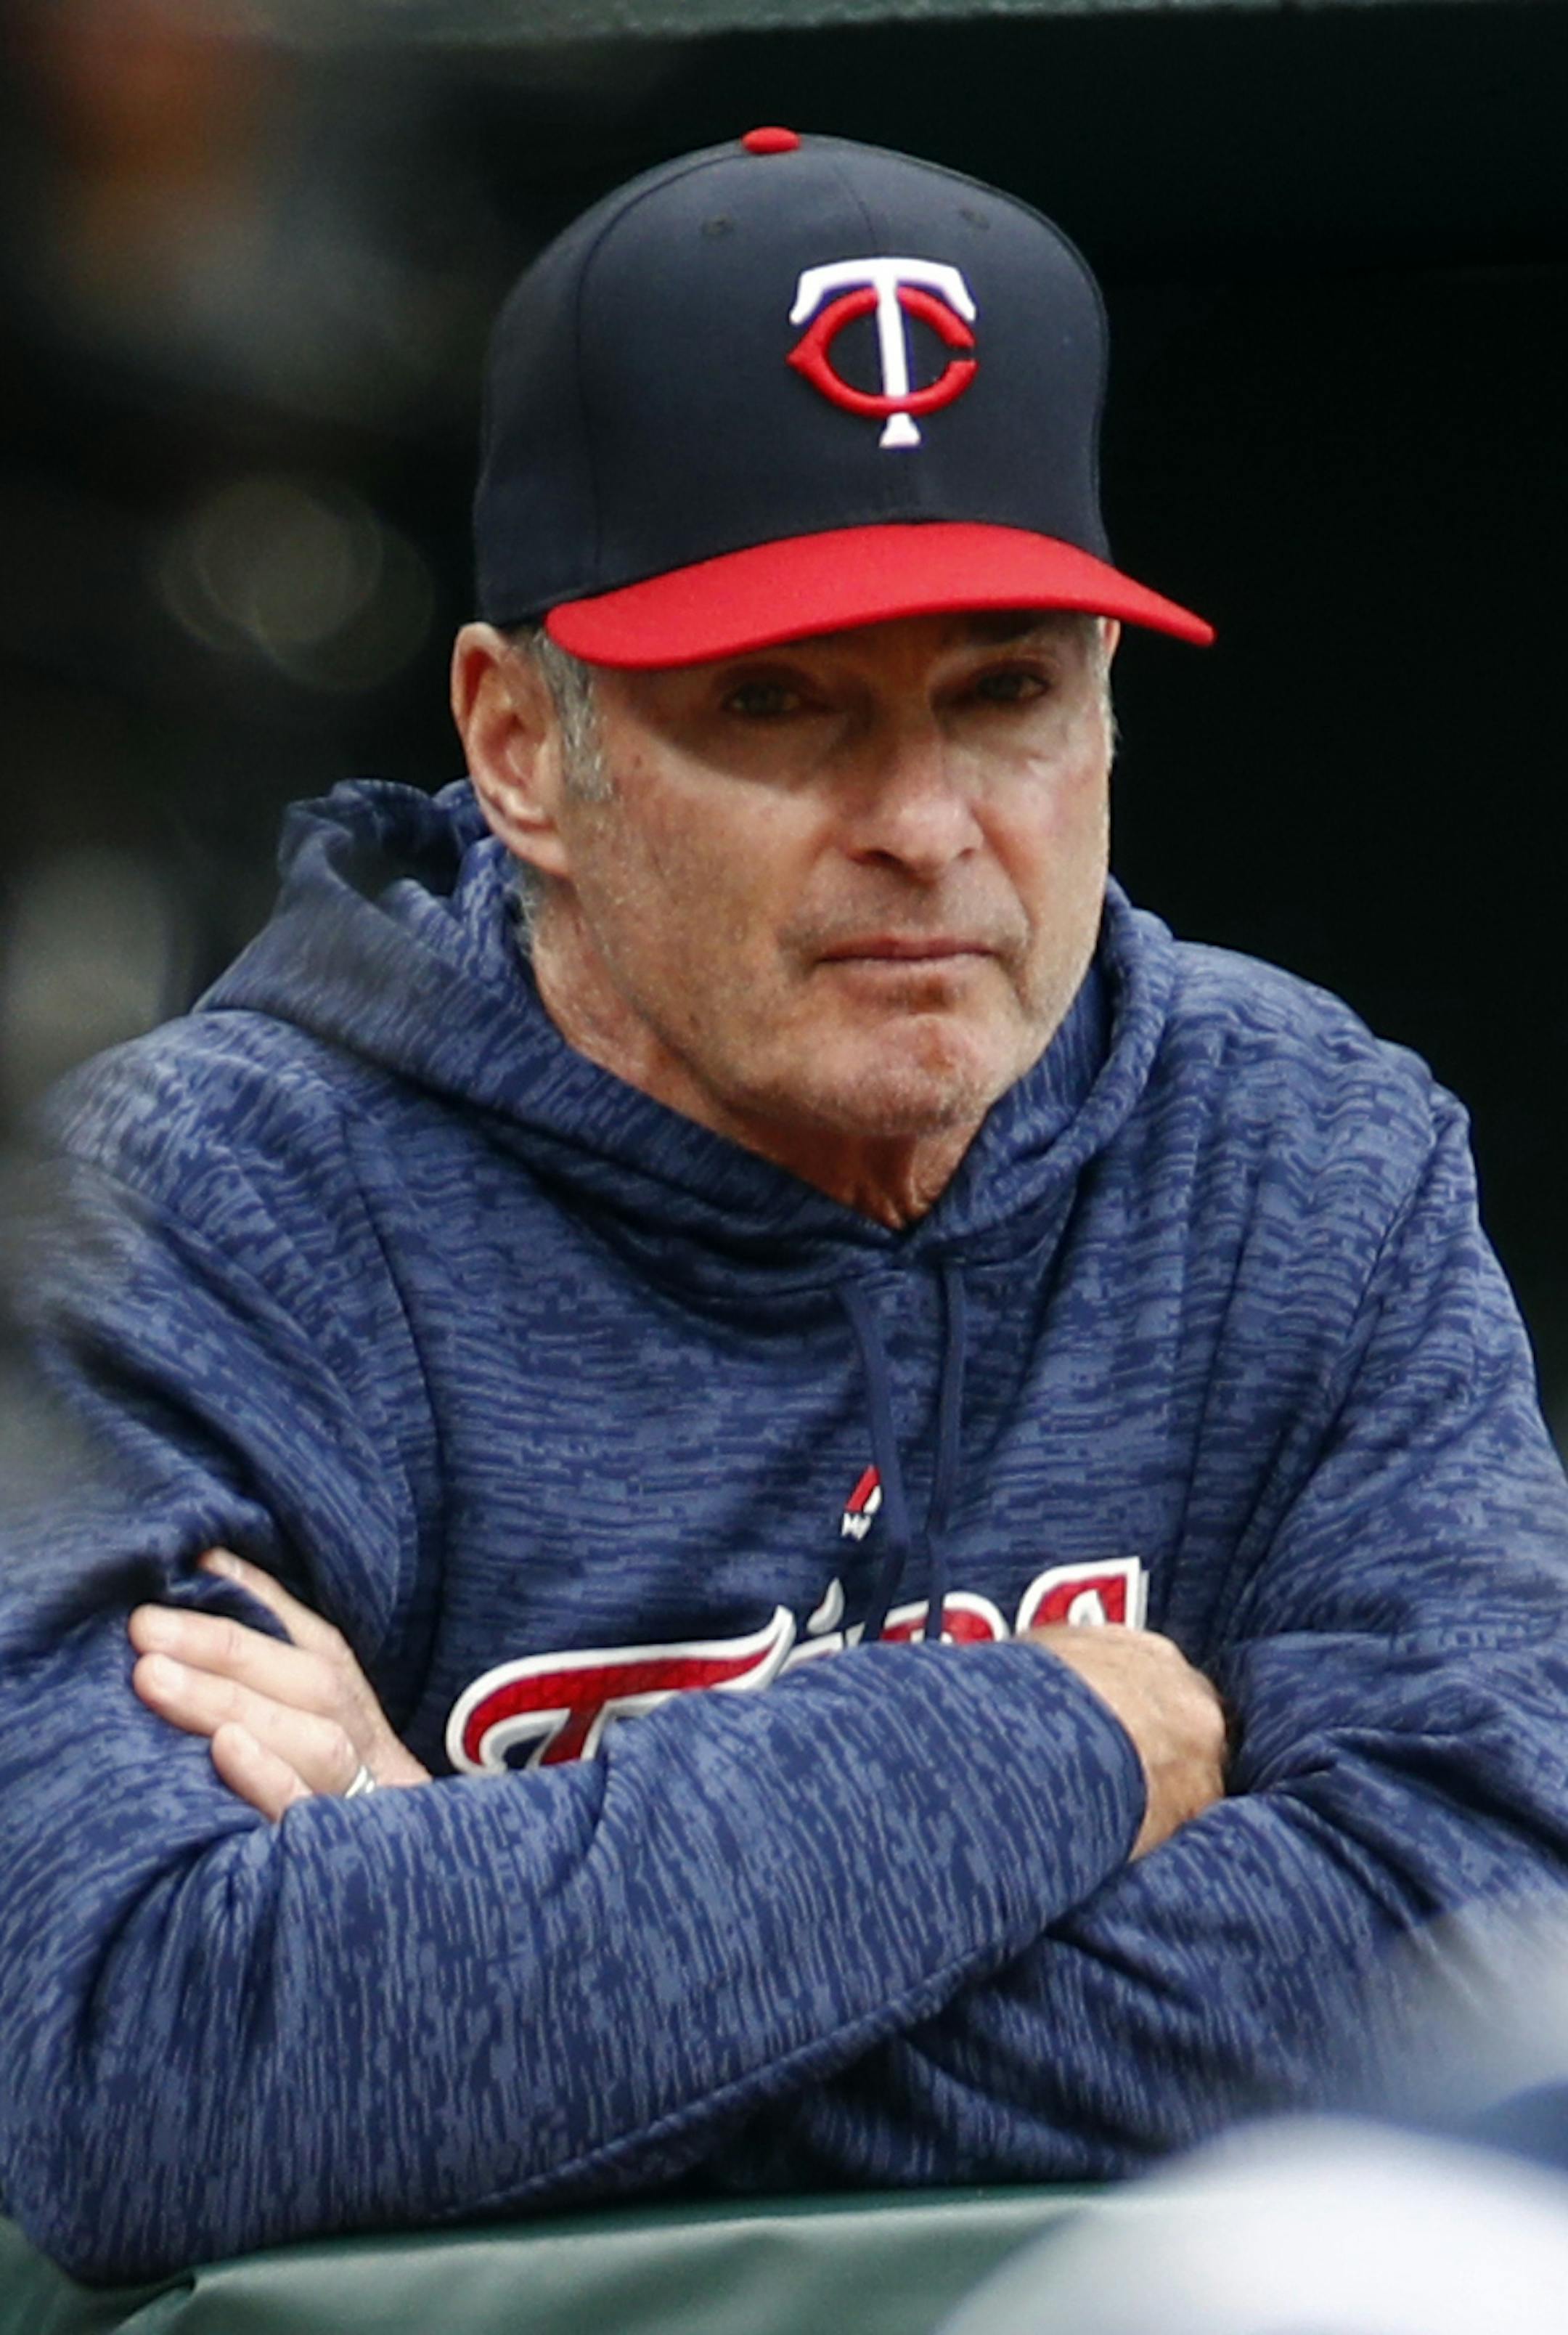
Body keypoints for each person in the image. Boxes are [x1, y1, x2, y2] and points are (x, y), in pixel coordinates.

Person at [3, 126, 1567, 2286]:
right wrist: (1067, 1744)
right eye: (780, 705)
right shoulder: (189, 1220)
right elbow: (139, 2067)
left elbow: (1490, 1976)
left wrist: (461, 1914)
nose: (925, 824)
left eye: (1006, 694)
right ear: (520, 744)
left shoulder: (1306, 1156)